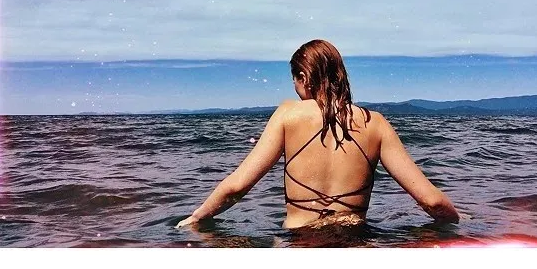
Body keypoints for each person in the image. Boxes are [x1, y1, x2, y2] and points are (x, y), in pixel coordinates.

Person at [176, 39, 460, 230]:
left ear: (304, 78)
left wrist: (196, 218)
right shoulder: (376, 123)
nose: (295, 89)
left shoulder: (288, 114)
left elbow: (236, 188)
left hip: (298, 242)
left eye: (295, 81)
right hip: (356, 242)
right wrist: (458, 220)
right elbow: (432, 201)